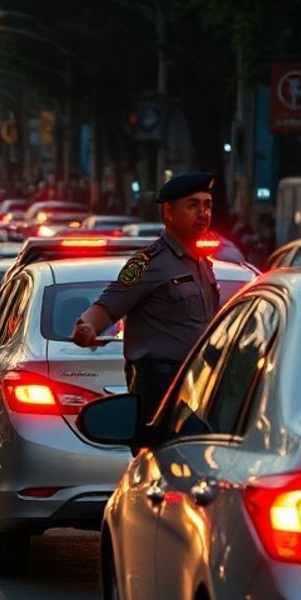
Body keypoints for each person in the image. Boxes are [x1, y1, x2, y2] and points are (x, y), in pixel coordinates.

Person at [71, 173, 221, 417]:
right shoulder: (147, 262)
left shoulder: (202, 263)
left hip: (197, 381)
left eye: (207, 205)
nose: (203, 213)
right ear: (169, 212)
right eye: (193, 205)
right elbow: (109, 304)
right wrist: (87, 327)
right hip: (160, 384)